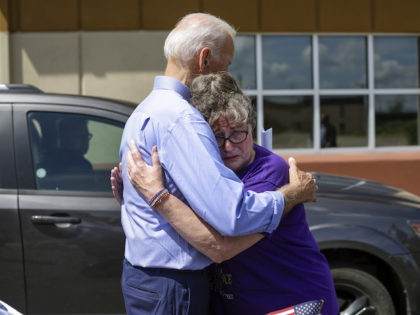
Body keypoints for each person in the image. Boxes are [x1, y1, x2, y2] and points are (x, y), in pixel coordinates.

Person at [118, 13, 317, 315]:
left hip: (146, 278)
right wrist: (291, 194)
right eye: (228, 62)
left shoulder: (144, 110)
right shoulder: (181, 119)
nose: (228, 74)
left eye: (237, 133)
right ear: (205, 58)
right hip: (173, 284)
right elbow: (232, 216)